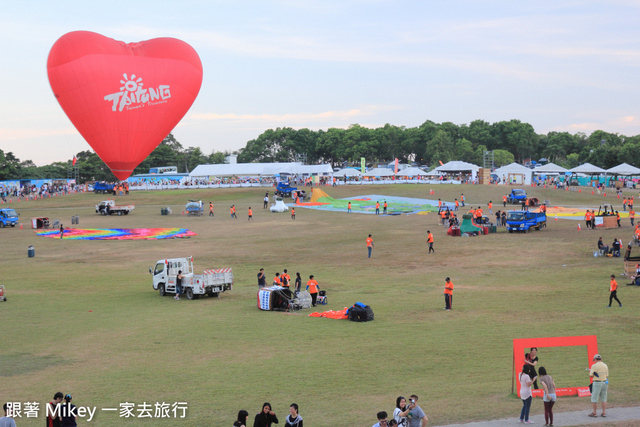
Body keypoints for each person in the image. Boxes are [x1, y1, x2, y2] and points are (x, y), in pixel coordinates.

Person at [589, 354, 609, 418]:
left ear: (595, 359)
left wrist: (594, 373)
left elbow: (591, 375)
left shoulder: (594, 366)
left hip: (597, 383)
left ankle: (594, 413)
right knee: (604, 398)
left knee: (594, 398)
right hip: (604, 382)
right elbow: (607, 375)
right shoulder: (605, 365)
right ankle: (603, 412)